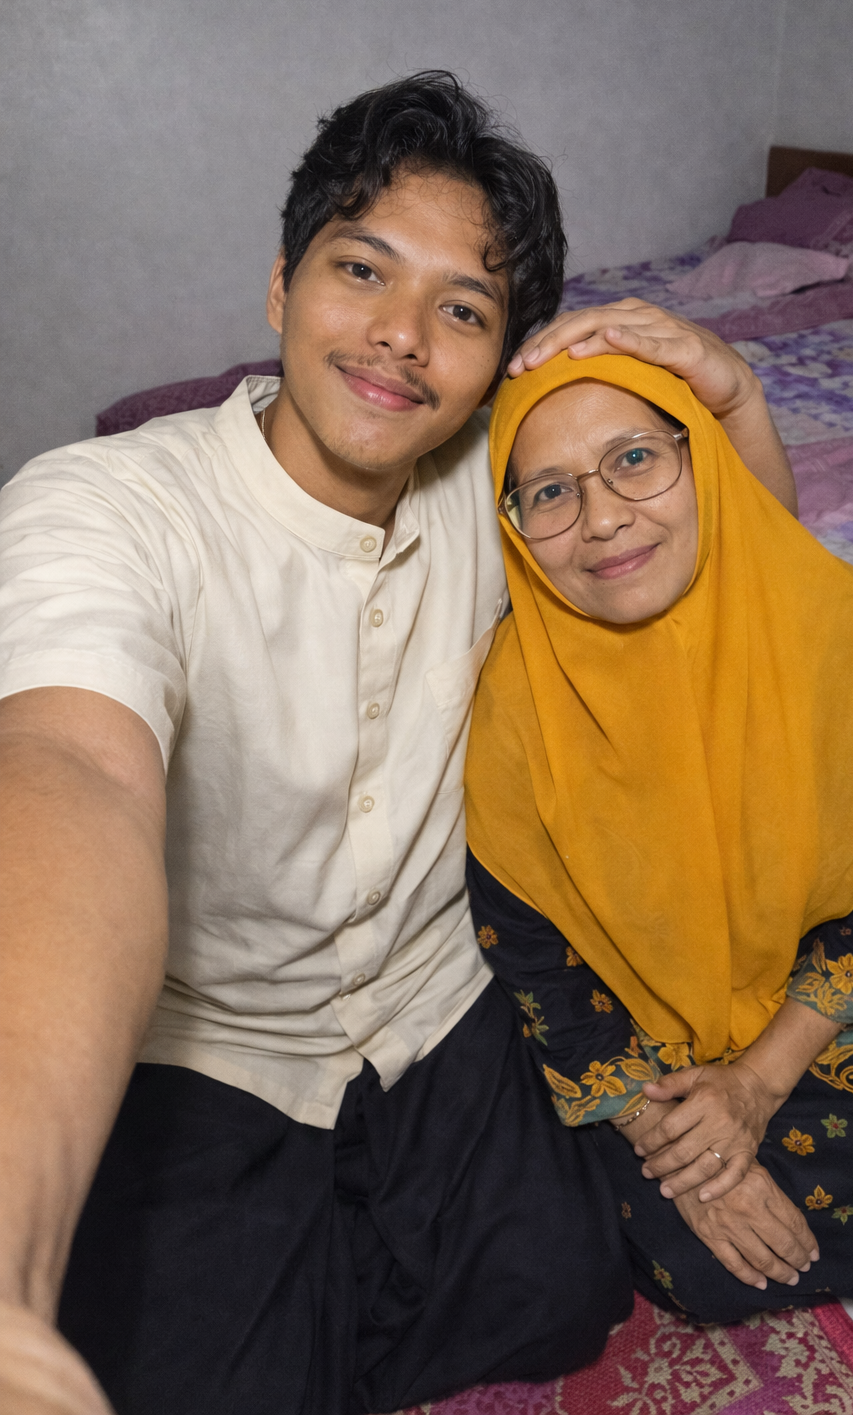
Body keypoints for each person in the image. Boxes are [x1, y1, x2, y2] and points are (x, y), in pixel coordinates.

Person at [0, 73, 799, 1415]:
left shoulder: (500, 492)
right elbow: (66, 775)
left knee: (568, 1296)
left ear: (500, 357)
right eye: (361, 271)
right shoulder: (107, 508)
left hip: (441, 1003)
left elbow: (735, 601)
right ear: (278, 285)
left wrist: (736, 396)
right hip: (218, 1042)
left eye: (464, 312)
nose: (398, 339)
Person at [464, 348, 853, 1326]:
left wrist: (756, 1088)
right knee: (680, 1257)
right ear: (515, 532)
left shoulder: (835, 629)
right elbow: (536, 968)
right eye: (548, 491)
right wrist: (671, 1137)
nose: (601, 519)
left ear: (703, 461)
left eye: (635, 459)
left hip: (801, 994)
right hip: (638, 1032)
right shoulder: (508, 710)